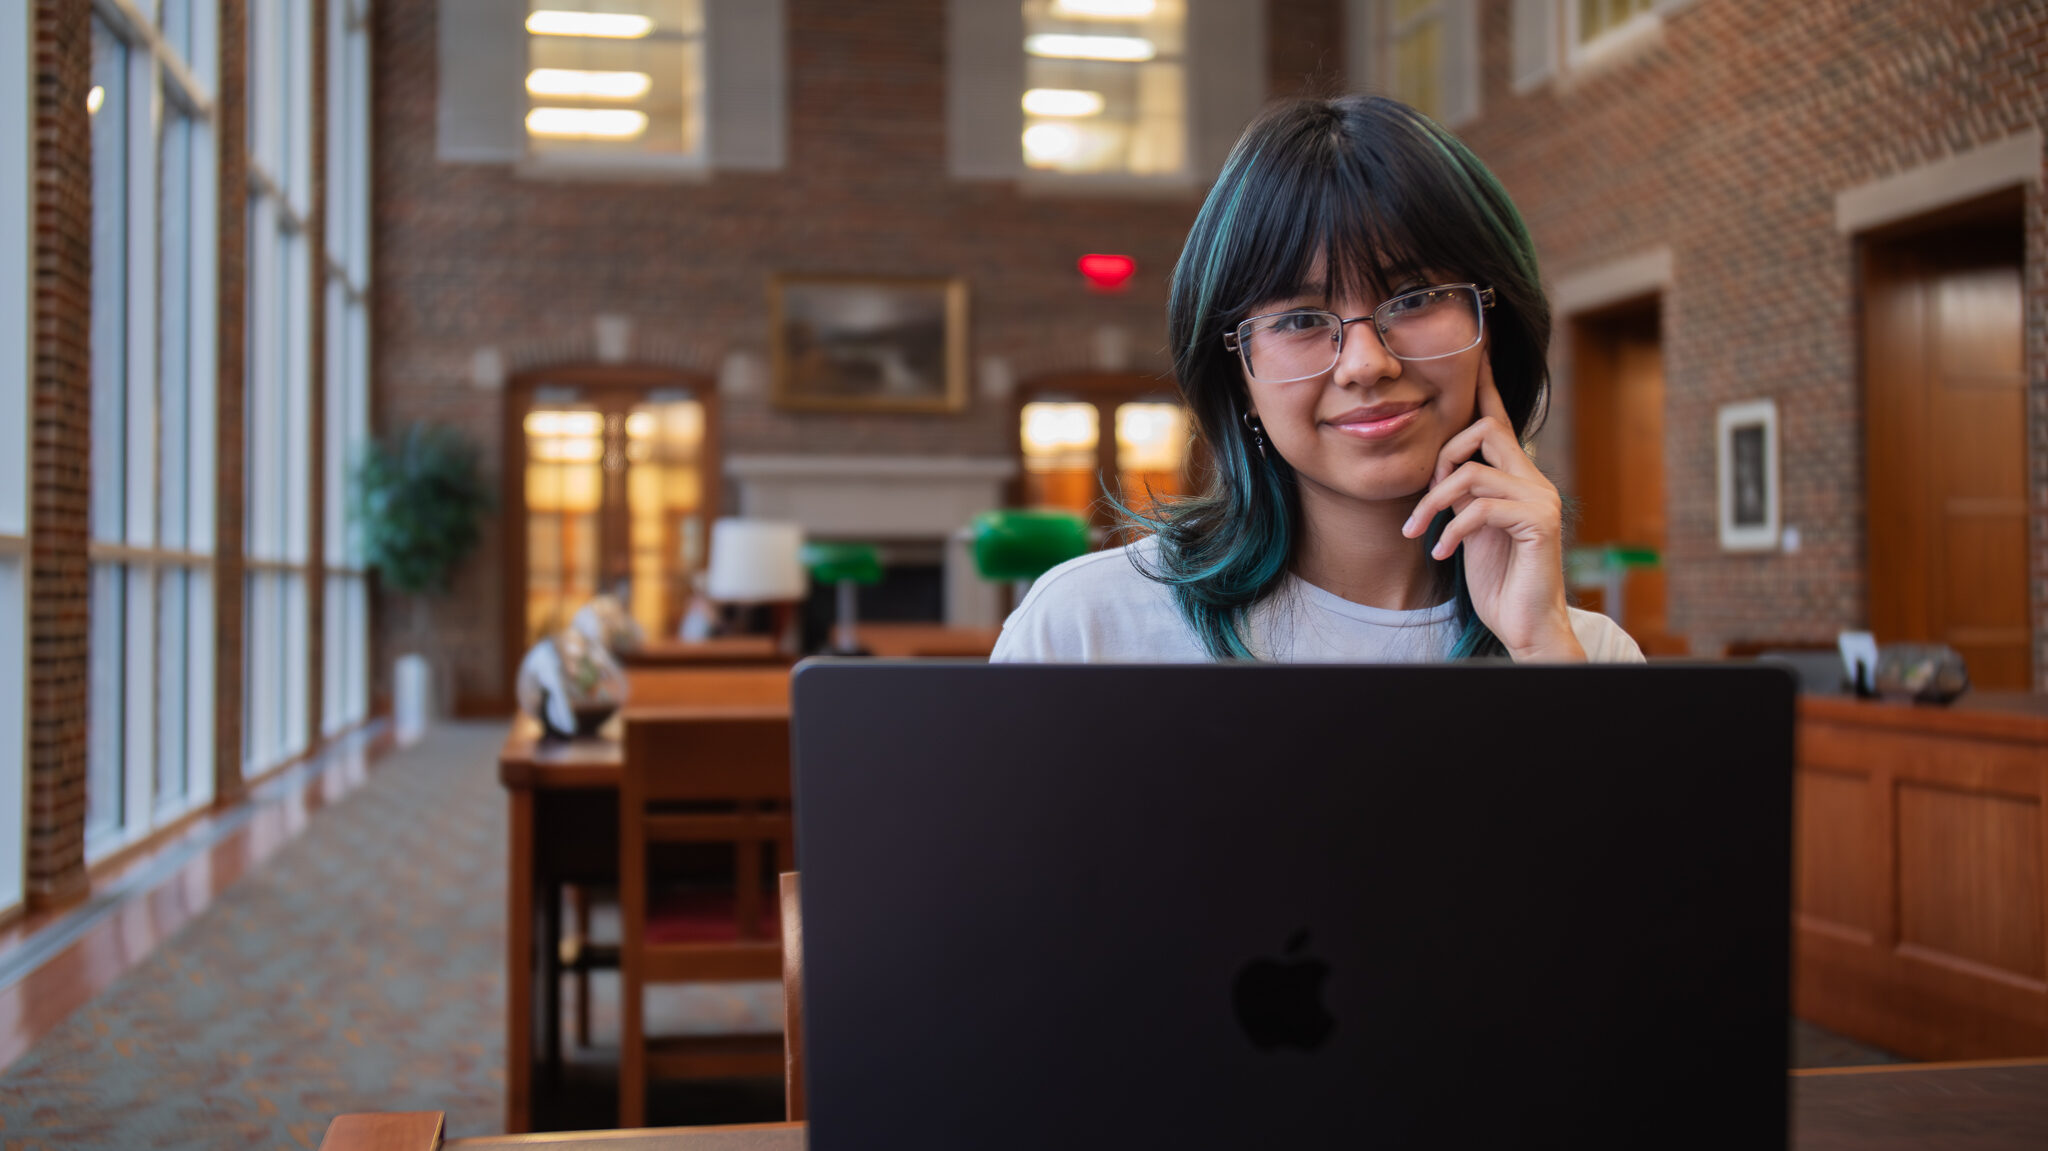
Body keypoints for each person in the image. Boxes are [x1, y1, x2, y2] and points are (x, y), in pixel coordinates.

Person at [991, 95, 1642, 665]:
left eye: (1414, 298)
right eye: (1301, 317)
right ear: (1238, 375)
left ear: (1493, 325)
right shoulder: (1087, 628)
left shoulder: (1581, 652)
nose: (1366, 363)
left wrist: (1541, 654)